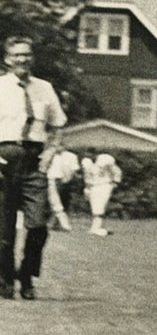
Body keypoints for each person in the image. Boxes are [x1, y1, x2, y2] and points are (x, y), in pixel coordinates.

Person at [0, 36, 68, 300]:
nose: (22, 60)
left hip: (34, 162)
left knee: (39, 225)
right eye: (17, 55)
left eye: (27, 55)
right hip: (4, 160)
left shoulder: (45, 88)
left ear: (32, 58)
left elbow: (58, 125)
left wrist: (51, 151)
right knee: (3, 233)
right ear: (7, 59)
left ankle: (26, 276)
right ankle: (5, 280)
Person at [81, 152, 122, 236]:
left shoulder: (105, 159)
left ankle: (96, 227)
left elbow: (117, 171)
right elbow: (87, 177)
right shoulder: (87, 163)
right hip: (94, 186)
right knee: (95, 207)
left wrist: (115, 182)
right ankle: (95, 227)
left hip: (104, 185)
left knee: (99, 207)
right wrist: (87, 188)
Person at [45, 145, 80, 231]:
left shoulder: (63, 156)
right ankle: (55, 223)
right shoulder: (54, 156)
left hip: (56, 180)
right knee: (54, 202)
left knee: (56, 202)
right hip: (51, 179)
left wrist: (66, 179)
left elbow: (69, 170)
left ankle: (63, 224)